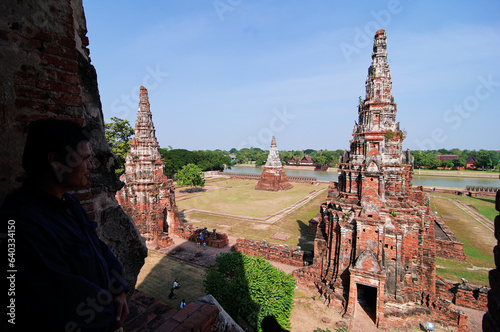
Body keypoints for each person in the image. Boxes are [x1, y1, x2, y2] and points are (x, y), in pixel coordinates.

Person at [1, 119, 129, 331]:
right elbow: (62, 298)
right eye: (85, 159)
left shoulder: (68, 204)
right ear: (55, 160)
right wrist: (112, 318)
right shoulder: (20, 220)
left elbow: (97, 248)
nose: (90, 166)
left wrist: (119, 289)